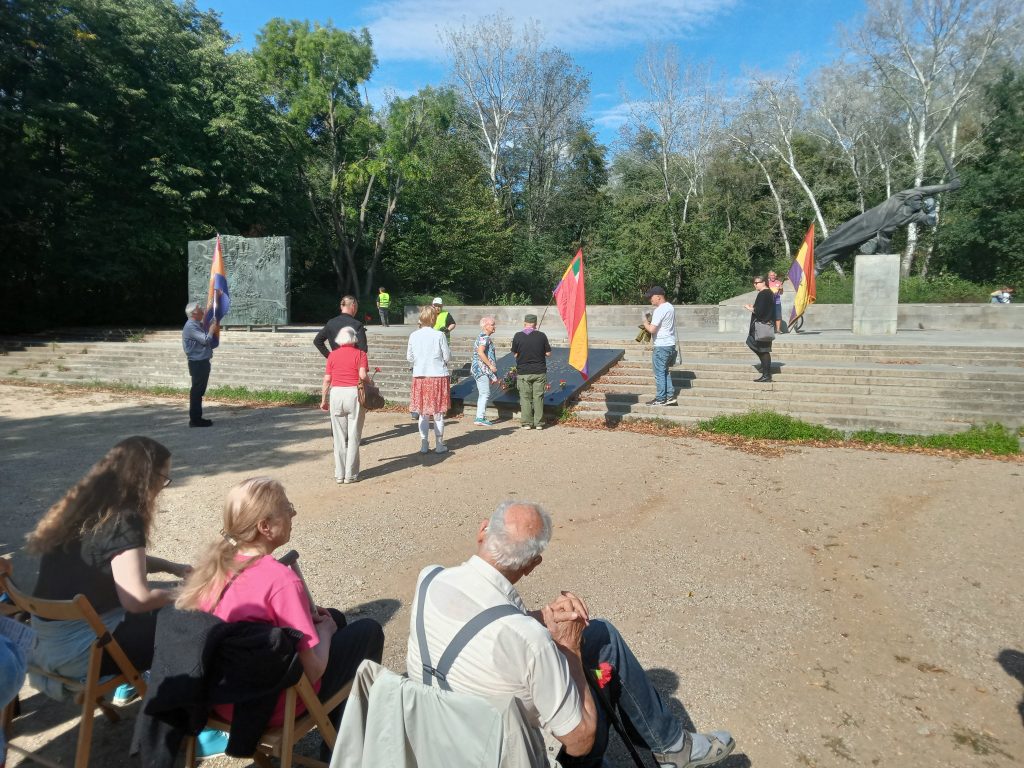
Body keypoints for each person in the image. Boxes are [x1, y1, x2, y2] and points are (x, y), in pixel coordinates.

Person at [407, 500, 736, 768]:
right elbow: (580, 742)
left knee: (597, 636)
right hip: (505, 754)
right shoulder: (529, 641)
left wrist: (545, 616)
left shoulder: (429, 579)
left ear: (482, 531)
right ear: (532, 564)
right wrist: (570, 648)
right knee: (598, 638)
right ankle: (673, 747)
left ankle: (671, 745)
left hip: (440, 738)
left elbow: (482, 618)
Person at [176, 478, 384, 762]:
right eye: (287, 508)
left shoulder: (212, 571)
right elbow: (313, 670)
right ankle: (342, 747)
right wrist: (326, 630)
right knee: (367, 631)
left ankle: (336, 734)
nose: (293, 514)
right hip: (274, 703)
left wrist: (322, 622)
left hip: (222, 700)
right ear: (265, 526)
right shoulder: (280, 580)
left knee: (333, 617)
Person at [26, 437, 190, 703]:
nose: (163, 486)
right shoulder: (124, 519)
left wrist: (171, 567)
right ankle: (194, 717)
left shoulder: (81, 508)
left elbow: (117, 561)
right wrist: (188, 592)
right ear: (147, 478)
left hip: (45, 645)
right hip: (81, 652)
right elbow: (136, 600)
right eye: (164, 478)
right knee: (190, 623)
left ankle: (127, 682)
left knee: (166, 601)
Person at [320, 327, 368, 485]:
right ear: (354, 339)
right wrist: (371, 383)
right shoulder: (361, 354)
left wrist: (323, 400)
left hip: (336, 394)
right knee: (354, 435)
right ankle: (351, 474)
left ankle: (339, 474)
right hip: (353, 393)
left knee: (339, 437)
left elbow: (327, 379)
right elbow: (362, 375)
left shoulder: (332, 355)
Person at [407, 305, 451, 454]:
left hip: (420, 376)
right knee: (438, 413)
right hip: (437, 376)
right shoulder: (439, 335)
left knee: (423, 413)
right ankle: (439, 444)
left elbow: (409, 357)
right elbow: (447, 357)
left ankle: (424, 443)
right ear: (434, 318)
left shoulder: (414, 335)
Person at [182, 301, 219, 427]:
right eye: (200, 309)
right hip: (197, 363)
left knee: (199, 391)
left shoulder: (196, 324)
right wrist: (212, 330)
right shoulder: (191, 326)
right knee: (197, 391)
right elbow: (205, 340)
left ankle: (197, 418)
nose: (202, 310)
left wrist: (211, 323)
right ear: (194, 313)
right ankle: (195, 420)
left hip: (201, 362)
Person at [511, 313, 551, 430]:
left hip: (523, 372)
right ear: (536, 324)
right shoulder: (542, 335)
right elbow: (548, 353)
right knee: (538, 397)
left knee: (525, 398)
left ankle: (527, 423)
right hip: (539, 371)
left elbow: (514, 353)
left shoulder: (518, 336)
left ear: (525, 323)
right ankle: (539, 423)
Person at [641, 287, 677, 406]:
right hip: (670, 344)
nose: (650, 300)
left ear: (658, 296)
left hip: (661, 346)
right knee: (664, 371)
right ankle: (670, 396)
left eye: (651, 297)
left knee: (659, 373)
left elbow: (652, 329)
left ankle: (661, 398)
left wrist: (645, 321)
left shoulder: (660, 310)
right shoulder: (670, 307)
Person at [744, 276, 775, 383]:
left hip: (761, 326)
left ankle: (766, 374)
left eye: (756, 283)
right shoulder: (769, 293)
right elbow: (765, 308)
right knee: (759, 347)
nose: (754, 285)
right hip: (764, 325)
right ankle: (765, 368)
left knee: (763, 350)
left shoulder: (763, 294)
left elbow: (760, 311)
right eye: (754, 283)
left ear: (763, 282)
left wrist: (750, 308)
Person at [471, 316, 499, 427]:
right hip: (482, 369)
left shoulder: (483, 337)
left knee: (483, 393)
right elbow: (480, 352)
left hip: (480, 369)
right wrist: (490, 366)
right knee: (484, 393)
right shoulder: (484, 337)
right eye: (492, 324)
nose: (494, 326)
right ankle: (480, 417)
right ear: (486, 326)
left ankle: (480, 416)